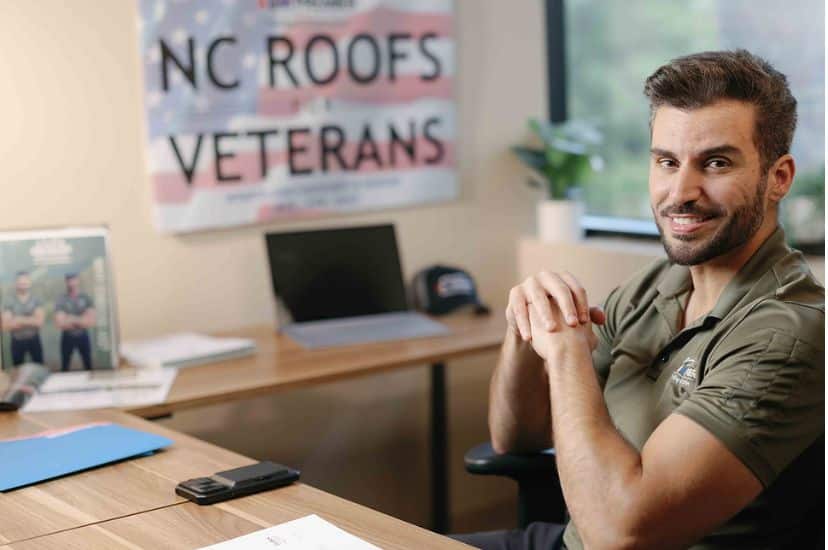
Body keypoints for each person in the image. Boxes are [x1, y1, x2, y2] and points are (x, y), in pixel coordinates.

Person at [456, 50, 824, 549]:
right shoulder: (655, 286)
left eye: (715, 162)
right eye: (666, 162)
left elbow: (620, 534)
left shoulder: (790, 331)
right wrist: (527, 328)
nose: (681, 191)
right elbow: (516, 439)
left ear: (778, 177)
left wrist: (565, 354)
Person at [54, 273, 96, 371]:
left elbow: (90, 321)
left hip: (83, 336)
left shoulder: (86, 298)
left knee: (88, 365)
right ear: (66, 282)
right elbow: (59, 323)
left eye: (74, 280)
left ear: (78, 281)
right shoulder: (61, 299)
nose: (72, 283)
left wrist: (70, 318)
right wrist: (81, 319)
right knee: (65, 366)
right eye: (69, 281)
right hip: (67, 337)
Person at [1, 271, 45, 365]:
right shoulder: (9, 301)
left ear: (29, 283)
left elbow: (39, 322)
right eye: (20, 283)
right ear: (16, 284)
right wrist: (31, 319)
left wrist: (18, 319)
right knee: (18, 372)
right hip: (17, 341)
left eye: (25, 282)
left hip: (34, 340)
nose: (23, 285)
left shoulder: (36, 300)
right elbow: (5, 325)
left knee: (39, 367)